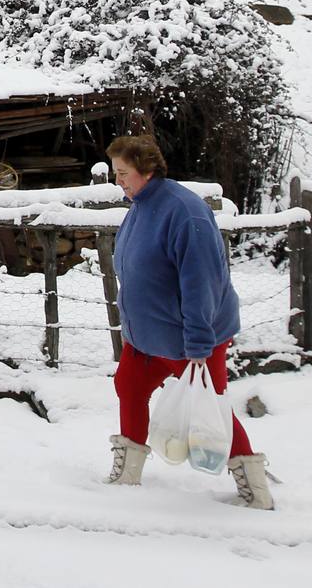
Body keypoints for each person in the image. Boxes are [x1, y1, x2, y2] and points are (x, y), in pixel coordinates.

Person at [102, 134, 274, 510]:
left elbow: (201, 281)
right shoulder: (141, 205)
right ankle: (128, 472)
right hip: (147, 333)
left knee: (208, 409)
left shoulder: (185, 212)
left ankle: (254, 487)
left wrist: (199, 341)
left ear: (147, 169)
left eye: (123, 173)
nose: (118, 181)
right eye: (116, 173)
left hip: (188, 335)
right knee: (129, 385)